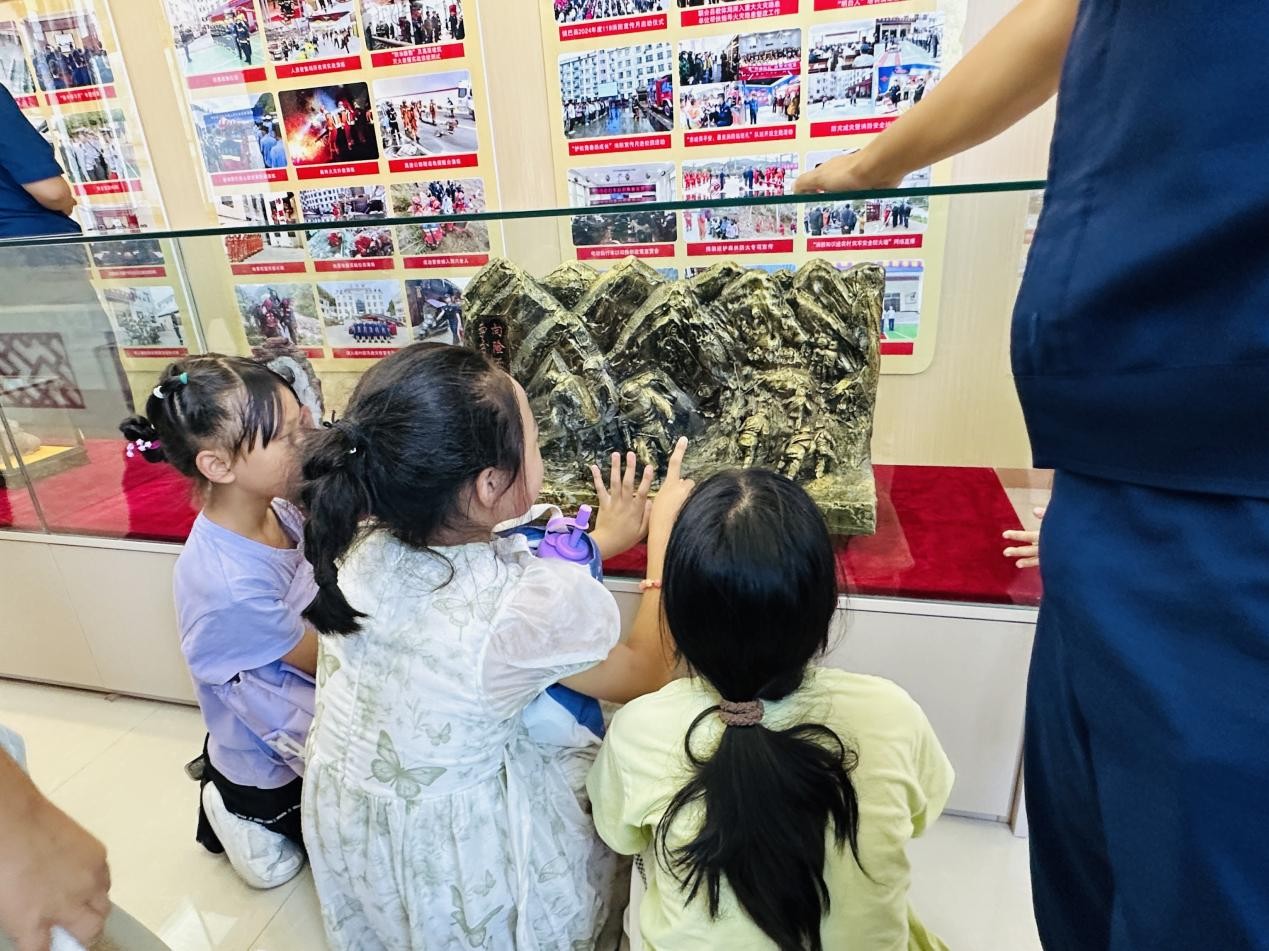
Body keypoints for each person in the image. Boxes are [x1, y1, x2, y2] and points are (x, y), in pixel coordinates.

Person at [797, 1, 1269, 948]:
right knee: (1084, 881)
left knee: (1190, 897)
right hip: (1113, 461)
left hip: (1221, 456)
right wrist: (873, 165)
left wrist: (876, 165)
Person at [297, 343, 689, 949]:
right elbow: (647, 669)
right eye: (534, 442)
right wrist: (662, 539)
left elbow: (491, 563)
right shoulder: (520, 609)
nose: (540, 452)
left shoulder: (357, 544)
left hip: (355, 821)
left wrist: (600, 541)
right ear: (488, 484)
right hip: (456, 850)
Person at [589, 469, 954, 950]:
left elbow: (622, 837)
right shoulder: (892, 713)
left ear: (678, 613)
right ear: (825, 605)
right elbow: (922, 815)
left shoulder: (638, 729)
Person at [120, 356, 318, 892]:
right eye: (286, 436)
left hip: (290, 700)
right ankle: (230, 808)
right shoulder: (229, 586)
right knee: (280, 869)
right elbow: (324, 661)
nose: (305, 441)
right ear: (218, 465)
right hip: (269, 748)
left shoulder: (278, 508)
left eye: (300, 424)